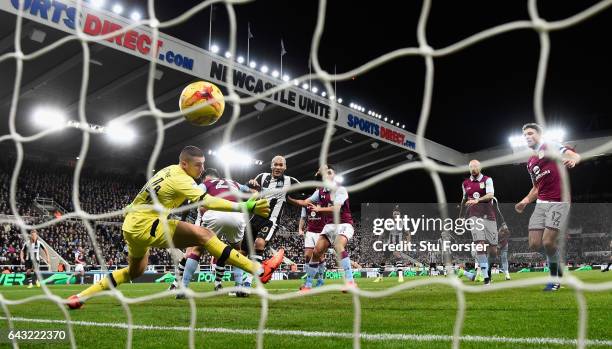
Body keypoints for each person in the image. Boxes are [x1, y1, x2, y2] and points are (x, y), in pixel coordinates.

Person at [67, 146, 283, 309]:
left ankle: (80, 297)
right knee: (204, 235)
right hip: (148, 224)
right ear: (184, 164)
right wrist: (244, 205)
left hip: (132, 226)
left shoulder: (168, 170)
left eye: (203, 164)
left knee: (135, 271)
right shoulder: (181, 179)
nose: (202, 168)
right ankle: (260, 270)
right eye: (198, 165)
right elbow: (206, 202)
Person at [515, 123, 580, 291]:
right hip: (541, 204)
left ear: (539, 135)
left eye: (530, 133)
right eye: (525, 135)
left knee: (548, 241)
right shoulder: (530, 163)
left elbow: (574, 155)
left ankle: (555, 278)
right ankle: (557, 264)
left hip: (559, 201)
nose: (527, 137)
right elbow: (536, 188)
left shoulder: (550, 146)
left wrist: (572, 160)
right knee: (534, 244)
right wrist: (525, 200)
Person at [293, 165, 357, 292]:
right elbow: (304, 202)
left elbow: (336, 209)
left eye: (330, 172)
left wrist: (319, 209)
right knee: (316, 253)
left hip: (344, 224)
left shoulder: (340, 189)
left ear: (334, 176)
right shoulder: (320, 191)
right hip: (329, 227)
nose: (327, 174)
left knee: (338, 245)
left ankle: (350, 282)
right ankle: (308, 285)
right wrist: (288, 198)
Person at [242, 155, 300, 288]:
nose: (278, 167)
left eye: (281, 165)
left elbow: (306, 191)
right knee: (243, 251)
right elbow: (249, 189)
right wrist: (250, 183)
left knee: (259, 243)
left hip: (271, 220)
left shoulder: (290, 181)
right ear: (271, 165)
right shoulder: (262, 177)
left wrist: (307, 202)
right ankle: (241, 281)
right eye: (276, 164)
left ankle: (247, 283)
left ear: (285, 167)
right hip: (255, 218)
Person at [457, 160, 498, 285]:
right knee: (479, 245)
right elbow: (464, 199)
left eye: (475, 166)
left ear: (480, 167)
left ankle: (488, 271)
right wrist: (461, 217)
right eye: (471, 166)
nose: (473, 168)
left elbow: (490, 195)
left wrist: (477, 200)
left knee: (493, 251)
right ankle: (486, 279)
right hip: (474, 217)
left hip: (489, 217)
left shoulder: (487, 180)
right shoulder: (465, 183)